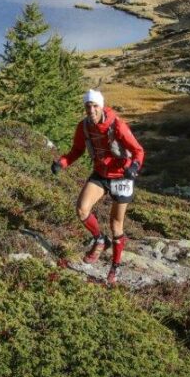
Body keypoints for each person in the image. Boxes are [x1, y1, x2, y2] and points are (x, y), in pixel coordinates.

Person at [51, 89, 144, 286]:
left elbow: (137, 150)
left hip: (122, 177)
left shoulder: (117, 125)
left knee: (115, 225)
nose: (91, 110)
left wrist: (134, 168)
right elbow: (77, 150)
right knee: (81, 209)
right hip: (101, 174)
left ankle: (115, 267)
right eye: (88, 106)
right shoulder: (83, 127)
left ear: (101, 106)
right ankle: (100, 240)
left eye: (95, 106)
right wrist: (62, 163)